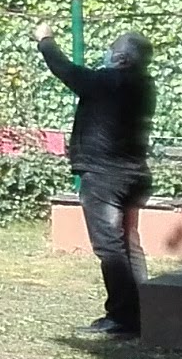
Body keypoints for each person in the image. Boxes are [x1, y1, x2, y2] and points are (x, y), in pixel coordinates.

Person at [39, 24, 155, 336]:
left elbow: (66, 71)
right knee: (128, 243)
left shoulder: (110, 82)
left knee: (109, 246)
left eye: (113, 48)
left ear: (122, 58)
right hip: (132, 174)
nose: (108, 53)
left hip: (105, 176)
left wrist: (45, 40)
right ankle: (143, 313)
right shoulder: (144, 85)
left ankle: (122, 318)